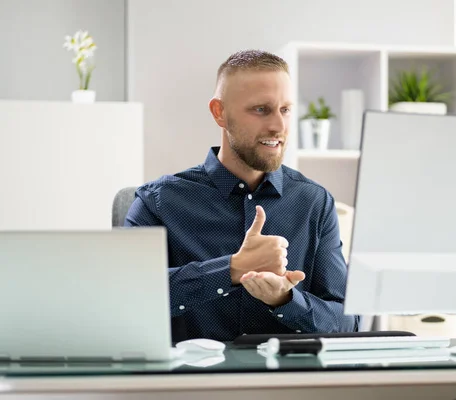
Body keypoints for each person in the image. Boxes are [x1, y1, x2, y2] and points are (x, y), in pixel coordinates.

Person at [124, 49, 359, 342]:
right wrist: (231, 269)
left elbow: (349, 323)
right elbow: (127, 300)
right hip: (193, 384)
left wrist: (286, 300)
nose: (279, 126)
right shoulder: (158, 201)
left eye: (285, 110)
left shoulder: (315, 203)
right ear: (219, 113)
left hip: (289, 384)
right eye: (261, 109)